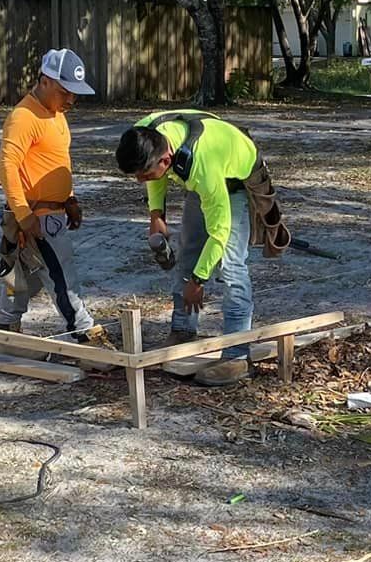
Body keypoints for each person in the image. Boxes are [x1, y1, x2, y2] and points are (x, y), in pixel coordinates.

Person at [114, 110, 291, 387]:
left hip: (233, 182)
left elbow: (219, 231)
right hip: (201, 176)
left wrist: (199, 280)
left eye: (144, 175)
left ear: (166, 160)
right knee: (188, 251)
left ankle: (237, 354)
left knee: (231, 268)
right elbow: (155, 174)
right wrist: (156, 214)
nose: (141, 181)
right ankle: (183, 330)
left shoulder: (202, 165)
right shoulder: (144, 134)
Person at [0, 48, 96, 336]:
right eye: (65, 91)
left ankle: (6, 331)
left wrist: (70, 199)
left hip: (49, 212)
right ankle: (84, 334)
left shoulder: (55, 114)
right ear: (44, 81)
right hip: (37, 217)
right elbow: (7, 166)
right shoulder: (24, 117)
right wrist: (24, 215)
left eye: (74, 94)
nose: (71, 100)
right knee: (62, 277)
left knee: (23, 277)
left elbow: (56, 163)